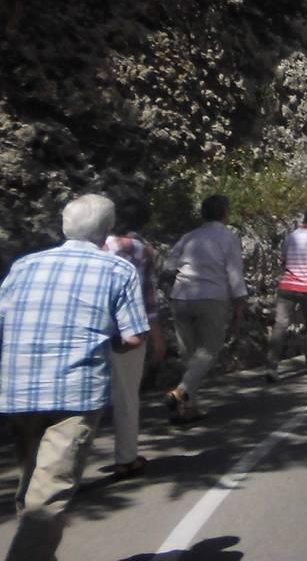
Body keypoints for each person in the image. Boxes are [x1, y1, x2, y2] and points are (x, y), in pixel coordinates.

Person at [0, 194, 147, 561]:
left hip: (18, 390)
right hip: (74, 393)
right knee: (48, 497)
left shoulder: (24, 265)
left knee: (33, 483)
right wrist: (108, 339)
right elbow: (133, 336)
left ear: (64, 225)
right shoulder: (117, 269)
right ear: (107, 230)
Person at [164, 193, 245, 424]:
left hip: (181, 296)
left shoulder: (189, 237)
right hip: (211, 297)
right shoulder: (228, 237)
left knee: (188, 355)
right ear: (224, 214)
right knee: (209, 349)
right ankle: (180, 392)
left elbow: (169, 265)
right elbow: (234, 270)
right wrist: (240, 299)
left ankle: (188, 408)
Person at [103, 195, 164, 479]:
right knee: (126, 396)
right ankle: (126, 458)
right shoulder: (144, 251)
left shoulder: (98, 246)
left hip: (91, 330)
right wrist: (158, 339)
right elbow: (147, 299)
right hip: (127, 334)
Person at [266, 207, 307, 382]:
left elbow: (284, 260)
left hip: (287, 286)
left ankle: (271, 367)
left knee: (280, 325)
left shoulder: (291, 236)